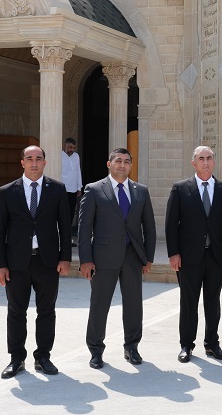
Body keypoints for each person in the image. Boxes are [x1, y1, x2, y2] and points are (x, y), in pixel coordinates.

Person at [0, 145, 71, 379]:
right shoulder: (8, 191)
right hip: (16, 263)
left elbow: (65, 227)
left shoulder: (57, 189)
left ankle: (43, 357)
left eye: (38, 158)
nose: (34, 162)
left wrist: (65, 257)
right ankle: (16, 358)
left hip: (47, 261)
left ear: (45, 162)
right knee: (16, 311)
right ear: (22, 162)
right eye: (29, 158)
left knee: (46, 311)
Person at [78, 147, 156, 369]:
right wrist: (85, 260)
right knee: (99, 305)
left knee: (134, 305)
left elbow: (149, 227)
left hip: (132, 256)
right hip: (103, 257)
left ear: (131, 165)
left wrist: (147, 257)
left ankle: (132, 347)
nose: (122, 165)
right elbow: (84, 228)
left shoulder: (141, 191)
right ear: (109, 164)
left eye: (127, 161)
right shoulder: (94, 190)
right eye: (118, 161)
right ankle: (96, 351)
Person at [165, 146, 222, 363]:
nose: (205, 162)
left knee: (213, 302)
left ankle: (212, 344)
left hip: (216, 255)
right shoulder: (180, 189)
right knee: (189, 302)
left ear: (214, 162)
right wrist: (174, 253)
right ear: (193, 163)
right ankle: (186, 345)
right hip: (188, 257)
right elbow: (171, 224)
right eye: (201, 158)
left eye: (209, 158)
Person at [61, 138, 83, 226]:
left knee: (71, 211)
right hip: (62, 188)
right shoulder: (59, 155)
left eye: (74, 148)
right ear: (65, 145)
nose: (72, 150)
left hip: (73, 189)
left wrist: (79, 187)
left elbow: (78, 171)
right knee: (62, 211)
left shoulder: (76, 156)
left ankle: (68, 230)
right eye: (70, 147)